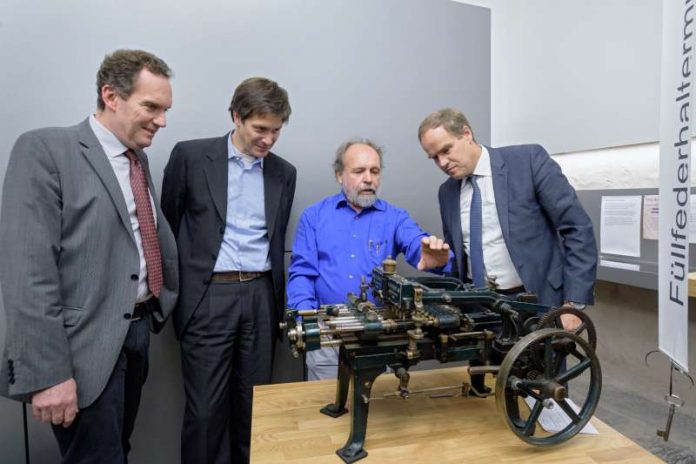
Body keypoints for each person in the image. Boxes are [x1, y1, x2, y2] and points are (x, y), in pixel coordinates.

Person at [0, 49, 178, 462]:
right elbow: (28, 273)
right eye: (151, 106)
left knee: (116, 451)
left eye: (166, 109)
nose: (162, 121)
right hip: (80, 350)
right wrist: (49, 375)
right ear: (111, 96)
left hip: (134, 334)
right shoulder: (45, 149)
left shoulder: (138, 159)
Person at [161, 77, 296, 464]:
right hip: (207, 297)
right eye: (260, 129)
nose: (268, 140)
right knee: (205, 412)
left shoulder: (284, 173)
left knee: (254, 408)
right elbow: (168, 228)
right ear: (236, 116)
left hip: (260, 298)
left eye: (276, 131)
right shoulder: (190, 156)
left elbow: (275, 237)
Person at [418, 108, 597, 330]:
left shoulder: (528, 161)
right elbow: (462, 260)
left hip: (537, 306)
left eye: (446, 150)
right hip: (479, 312)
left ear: (466, 134)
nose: (443, 162)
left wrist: (573, 305)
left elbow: (577, 228)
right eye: (434, 157)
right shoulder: (447, 192)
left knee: (540, 366)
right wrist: (443, 262)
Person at [287, 138, 451, 381]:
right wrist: (307, 324)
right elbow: (302, 274)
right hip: (328, 338)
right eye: (359, 171)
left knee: (378, 411)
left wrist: (435, 257)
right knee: (326, 411)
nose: (369, 179)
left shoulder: (395, 217)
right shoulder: (314, 217)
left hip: (380, 337)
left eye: (374, 171)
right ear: (339, 175)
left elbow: (418, 244)